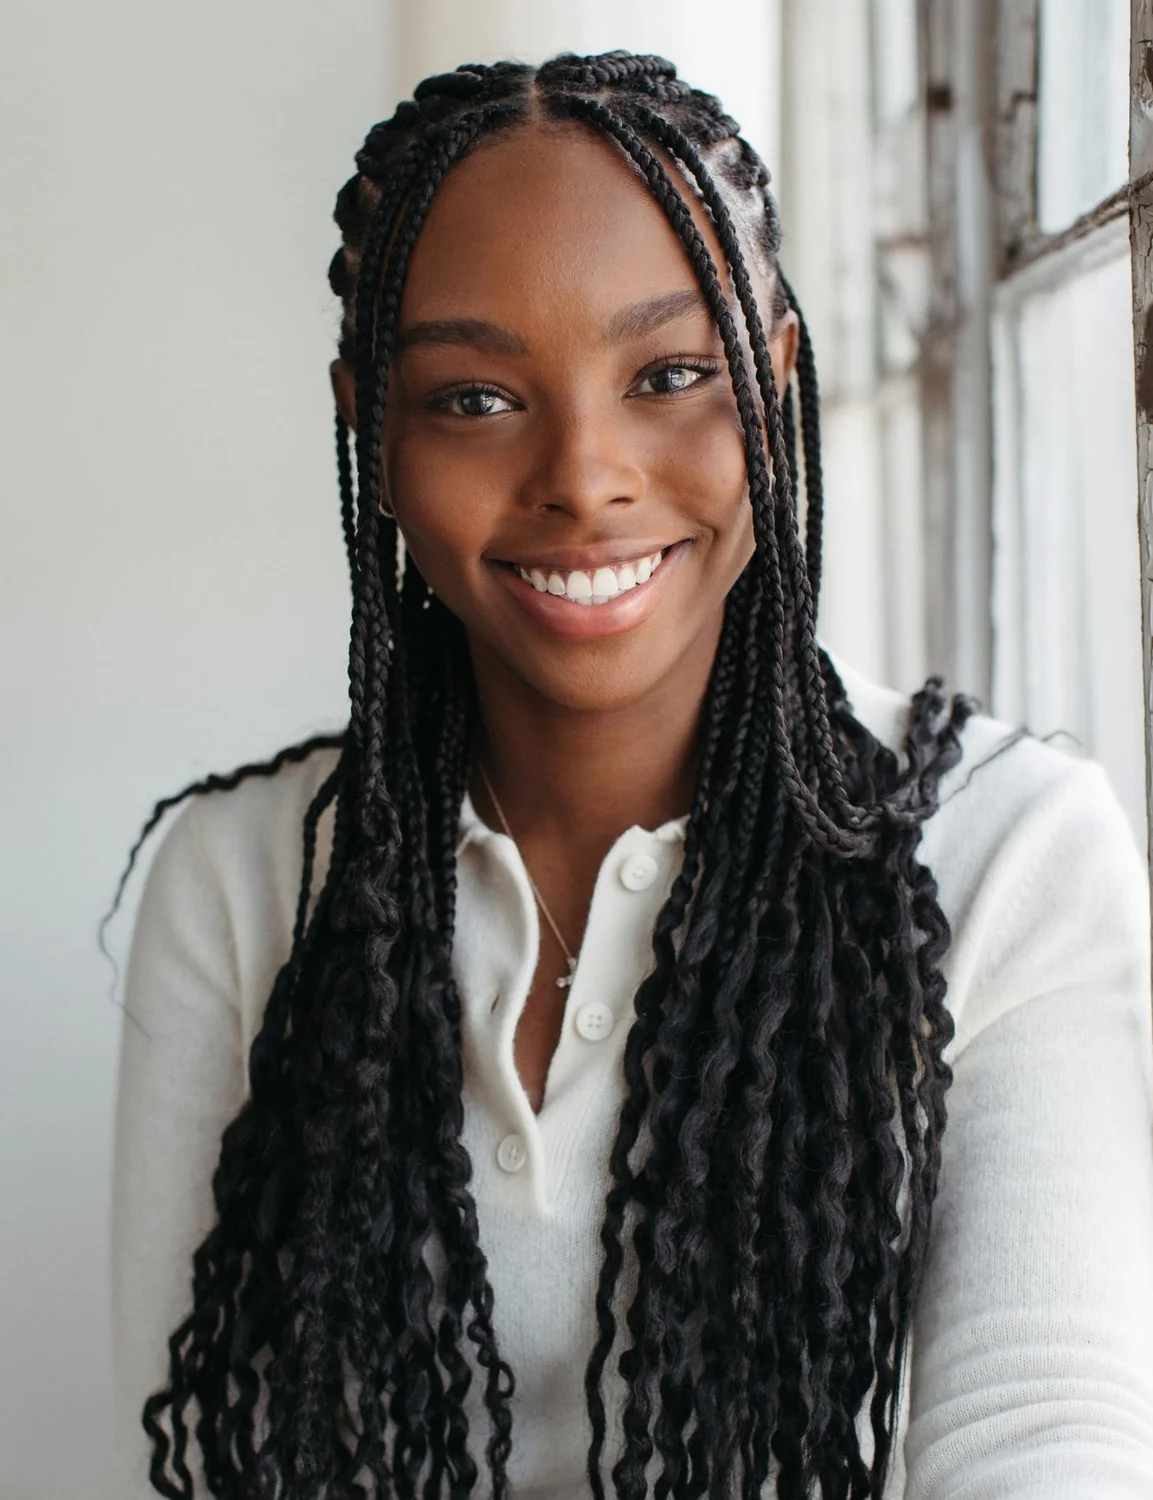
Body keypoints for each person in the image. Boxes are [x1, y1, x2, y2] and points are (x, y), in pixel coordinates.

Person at [111, 50, 1153, 1500]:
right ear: (374, 428)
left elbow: (1047, 1442)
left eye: (671, 376)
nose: (585, 474)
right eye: (476, 399)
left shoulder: (1011, 853)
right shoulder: (239, 886)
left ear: (776, 377)